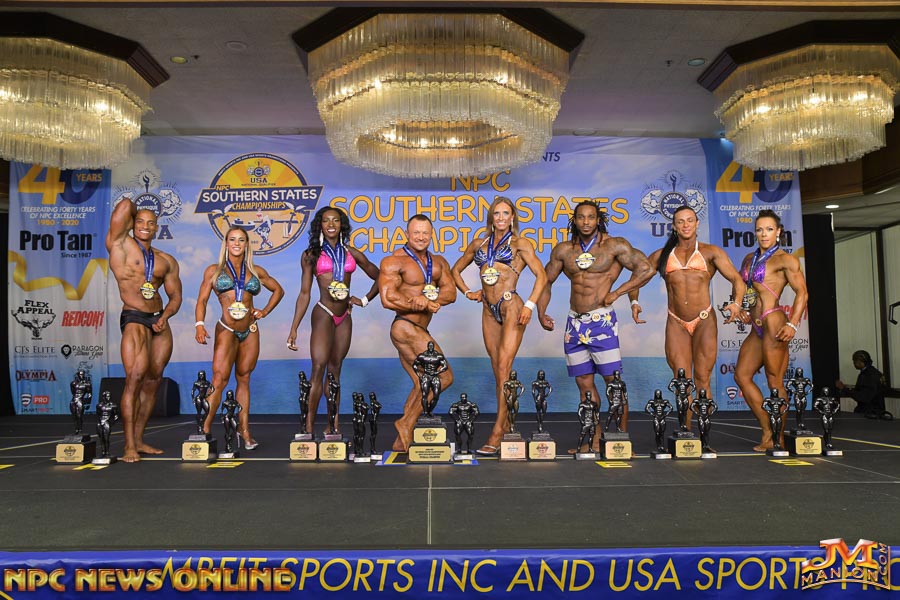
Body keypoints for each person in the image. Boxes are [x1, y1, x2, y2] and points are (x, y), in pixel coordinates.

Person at [537, 200, 654, 452]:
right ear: (575, 220)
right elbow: (546, 281)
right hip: (574, 323)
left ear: (598, 220)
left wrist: (618, 292)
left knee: (614, 384)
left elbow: (646, 269)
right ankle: (593, 439)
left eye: (591, 217)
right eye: (581, 217)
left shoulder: (614, 246)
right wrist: (541, 311)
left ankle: (621, 440)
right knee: (584, 384)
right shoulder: (564, 250)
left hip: (602, 321)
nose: (586, 222)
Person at [633, 205, 745, 432]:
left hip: (704, 320)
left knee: (703, 378)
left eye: (690, 220)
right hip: (676, 322)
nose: (685, 225)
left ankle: (704, 435)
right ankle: (686, 432)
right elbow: (637, 278)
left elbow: (737, 279)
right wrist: (634, 302)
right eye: (681, 221)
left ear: (697, 223)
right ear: (674, 226)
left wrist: (736, 303)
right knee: (681, 380)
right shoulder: (662, 255)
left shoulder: (710, 252)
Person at [452, 196, 547, 455]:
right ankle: (505, 424)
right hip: (487, 309)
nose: (501, 218)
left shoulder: (520, 243)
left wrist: (529, 305)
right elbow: (455, 270)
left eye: (506, 213)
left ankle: (497, 431)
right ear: (491, 217)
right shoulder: (479, 244)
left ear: (512, 217)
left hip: (511, 306)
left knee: (504, 367)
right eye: (497, 213)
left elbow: (541, 275)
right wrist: (468, 292)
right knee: (498, 370)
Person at [286, 207, 380, 435]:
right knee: (318, 368)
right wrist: (294, 328)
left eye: (335, 220)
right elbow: (305, 293)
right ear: (320, 225)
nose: (331, 224)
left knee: (335, 370)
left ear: (341, 225)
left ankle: (333, 426)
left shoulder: (352, 253)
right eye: (326, 220)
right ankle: (308, 428)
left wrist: (365, 299)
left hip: (344, 316)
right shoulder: (311, 255)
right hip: (324, 313)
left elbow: (380, 276)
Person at [106, 199, 182, 462]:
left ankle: (139, 439)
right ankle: (128, 446)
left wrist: (166, 316)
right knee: (135, 378)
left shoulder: (166, 260)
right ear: (132, 223)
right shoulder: (119, 243)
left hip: (159, 319)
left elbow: (175, 296)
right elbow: (124, 206)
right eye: (140, 221)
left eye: (151, 223)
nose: (145, 227)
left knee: (153, 381)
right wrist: (136, 212)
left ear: (157, 227)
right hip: (135, 317)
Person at [195, 226, 284, 449]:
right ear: (226, 243)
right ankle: (203, 430)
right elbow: (202, 300)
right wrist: (199, 325)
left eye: (241, 240)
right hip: (226, 328)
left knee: (244, 379)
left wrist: (265, 311)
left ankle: (244, 431)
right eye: (232, 239)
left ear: (246, 245)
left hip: (250, 330)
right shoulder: (214, 271)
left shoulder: (255, 270)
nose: (236, 243)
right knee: (219, 380)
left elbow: (278, 290)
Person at [379, 214, 457, 452]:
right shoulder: (394, 261)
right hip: (404, 326)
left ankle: (401, 443)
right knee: (444, 377)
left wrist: (428, 299)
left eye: (425, 233)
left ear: (431, 235)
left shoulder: (439, 262)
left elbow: (451, 293)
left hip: (419, 328)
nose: (421, 237)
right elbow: (387, 298)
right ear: (407, 234)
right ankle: (406, 423)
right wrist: (416, 303)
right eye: (416, 233)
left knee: (421, 382)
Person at [734, 209, 809, 450]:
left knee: (774, 381)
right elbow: (745, 288)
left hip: (773, 321)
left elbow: (802, 293)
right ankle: (769, 429)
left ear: (778, 232)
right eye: (759, 229)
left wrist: (792, 323)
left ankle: (778, 438)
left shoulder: (785, 259)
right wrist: (741, 307)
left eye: (769, 229)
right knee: (741, 376)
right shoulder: (749, 258)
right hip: (756, 326)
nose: (763, 234)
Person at [835, 350, 892, 420]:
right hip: (876, 412)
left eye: (854, 361)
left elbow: (864, 397)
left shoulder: (868, 375)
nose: (854, 363)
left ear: (859, 361)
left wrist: (844, 389)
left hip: (870, 414)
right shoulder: (876, 373)